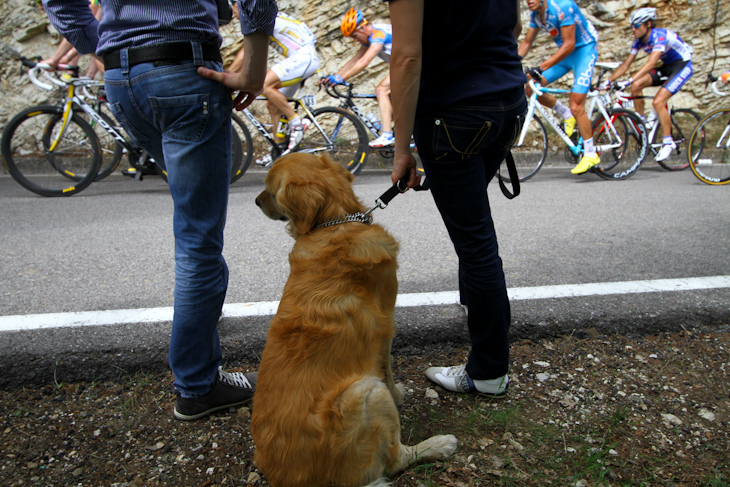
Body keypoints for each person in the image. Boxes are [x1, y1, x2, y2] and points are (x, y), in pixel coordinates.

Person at [42, 0, 278, 421]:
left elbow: (59, 3)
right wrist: (255, 66)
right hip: (184, 69)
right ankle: (197, 387)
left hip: (121, 80)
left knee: (195, 231)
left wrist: (110, 50)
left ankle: (201, 339)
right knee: (198, 243)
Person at [388, 0, 526, 397]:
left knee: (476, 245)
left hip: (452, 115)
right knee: (475, 236)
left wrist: (401, 150)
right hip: (508, 103)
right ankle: (477, 306)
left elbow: (407, 56)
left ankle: (488, 371)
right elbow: (512, 26)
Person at [600, 7, 694, 162]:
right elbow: (626, 65)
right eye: (631, 26)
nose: (633, 29)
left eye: (636, 26)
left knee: (658, 101)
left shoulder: (660, 36)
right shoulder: (638, 42)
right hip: (667, 66)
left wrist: (628, 80)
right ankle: (641, 122)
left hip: (682, 66)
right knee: (636, 85)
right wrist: (608, 81)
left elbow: (651, 63)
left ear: (648, 24)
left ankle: (668, 141)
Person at [518, 0, 600, 175]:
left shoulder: (563, 6)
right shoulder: (536, 15)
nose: (528, 1)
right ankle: (565, 114)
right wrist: (508, 63)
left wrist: (541, 67)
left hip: (584, 51)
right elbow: (526, 42)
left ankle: (591, 153)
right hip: (566, 56)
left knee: (577, 104)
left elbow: (569, 44)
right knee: (531, 89)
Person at [229, 12, 319, 167]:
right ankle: (278, 152)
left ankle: (297, 122)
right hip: (303, 56)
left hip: (303, 56)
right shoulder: (265, 15)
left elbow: (247, 51)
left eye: (233, 6)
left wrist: (228, 74)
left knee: (264, 84)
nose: (235, 14)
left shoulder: (259, 17)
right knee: (272, 104)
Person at [319, 8, 395, 149]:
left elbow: (364, 62)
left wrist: (342, 78)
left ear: (362, 28)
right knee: (388, 99)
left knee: (381, 90)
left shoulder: (378, 34)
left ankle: (387, 134)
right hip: (402, 64)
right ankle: (395, 129)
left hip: (414, 64)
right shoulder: (369, 37)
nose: (355, 40)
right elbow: (355, 60)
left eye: (354, 35)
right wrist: (334, 76)